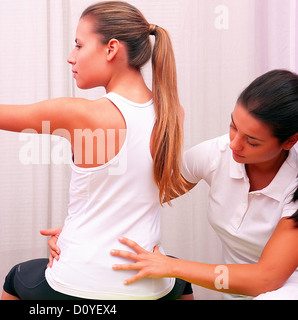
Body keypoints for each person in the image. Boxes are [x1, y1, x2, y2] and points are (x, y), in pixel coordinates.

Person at [0, 1, 193, 300]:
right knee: (181, 282)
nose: (71, 57)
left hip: (83, 284)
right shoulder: (174, 113)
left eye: (79, 45)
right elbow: (131, 193)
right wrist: (73, 232)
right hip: (151, 285)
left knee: (17, 277)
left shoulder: (82, 114)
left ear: (111, 49)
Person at [107, 70, 298, 299]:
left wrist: (171, 266)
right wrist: (83, 227)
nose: (234, 145)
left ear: (289, 141)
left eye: (252, 142)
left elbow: (265, 279)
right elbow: (145, 196)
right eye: (234, 126)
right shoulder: (216, 154)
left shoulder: (293, 185)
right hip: (235, 289)